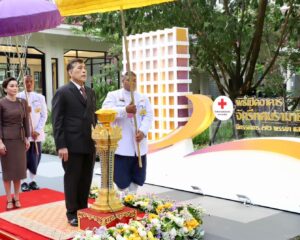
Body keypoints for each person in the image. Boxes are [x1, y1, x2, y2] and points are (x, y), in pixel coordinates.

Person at [52, 58, 96, 227]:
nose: (84, 71)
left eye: (85, 68)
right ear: (70, 72)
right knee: (73, 179)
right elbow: (57, 121)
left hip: (89, 143)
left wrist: (98, 138)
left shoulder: (90, 92)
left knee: (86, 178)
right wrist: (61, 145)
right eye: (79, 68)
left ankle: (83, 209)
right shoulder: (63, 91)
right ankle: (72, 213)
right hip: (71, 145)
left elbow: (94, 118)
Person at [102, 71, 153, 195]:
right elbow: (105, 112)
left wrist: (143, 131)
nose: (132, 83)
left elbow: (148, 115)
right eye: (128, 80)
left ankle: (133, 197)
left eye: (135, 80)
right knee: (121, 178)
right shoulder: (113, 95)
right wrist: (124, 110)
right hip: (122, 145)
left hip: (138, 143)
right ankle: (123, 196)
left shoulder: (142, 98)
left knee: (138, 175)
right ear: (122, 80)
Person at [0, 77, 30, 210]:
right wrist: (0, 142)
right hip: (6, 140)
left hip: (20, 139)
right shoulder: (1, 103)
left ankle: (17, 197)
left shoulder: (22, 102)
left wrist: (27, 138)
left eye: (16, 86)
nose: (15, 88)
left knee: (18, 171)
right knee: (8, 172)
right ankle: (8, 199)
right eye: (11, 86)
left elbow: (26, 121)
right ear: (5, 88)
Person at [17, 75, 48, 192]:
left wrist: (38, 130)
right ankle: (24, 182)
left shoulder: (39, 97)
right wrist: (25, 111)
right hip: (23, 135)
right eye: (26, 82)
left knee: (35, 157)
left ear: (33, 83)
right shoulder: (19, 97)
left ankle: (32, 180)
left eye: (31, 82)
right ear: (23, 83)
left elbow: (44, 115)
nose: (29, 84)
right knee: (23, 158)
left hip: (36, 135)